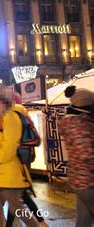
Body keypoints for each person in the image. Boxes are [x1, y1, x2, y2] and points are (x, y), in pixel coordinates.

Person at [0, 88, 38, 227]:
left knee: (16, 209)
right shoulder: (2, 117)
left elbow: (10, 142)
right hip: (0, 174)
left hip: (8, 173)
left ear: (0, 100)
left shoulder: (10, 116)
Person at [58, 86, 94, 227]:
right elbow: (86, 153)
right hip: (88, 180)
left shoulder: (74, 123)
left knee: (83, 221)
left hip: (80, 180)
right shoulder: (80, 125)